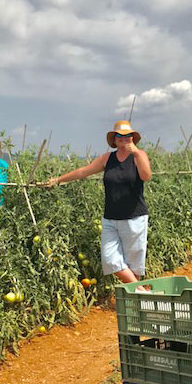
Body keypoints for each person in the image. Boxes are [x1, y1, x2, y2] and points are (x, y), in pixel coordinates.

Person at [48, 120, 151, 284]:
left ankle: (134, 299)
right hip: (110, 219)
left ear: (132, 138)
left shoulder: (139, 156)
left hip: (134, 218)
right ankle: (140, 291)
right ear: (115, 140)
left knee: (132, 265)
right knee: (110, 260)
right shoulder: (107, 158)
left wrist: (137, 153)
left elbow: (146, 176)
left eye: (127, 136)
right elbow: (83, 171)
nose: (124, 139)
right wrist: (58, 180)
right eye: (120, 136)